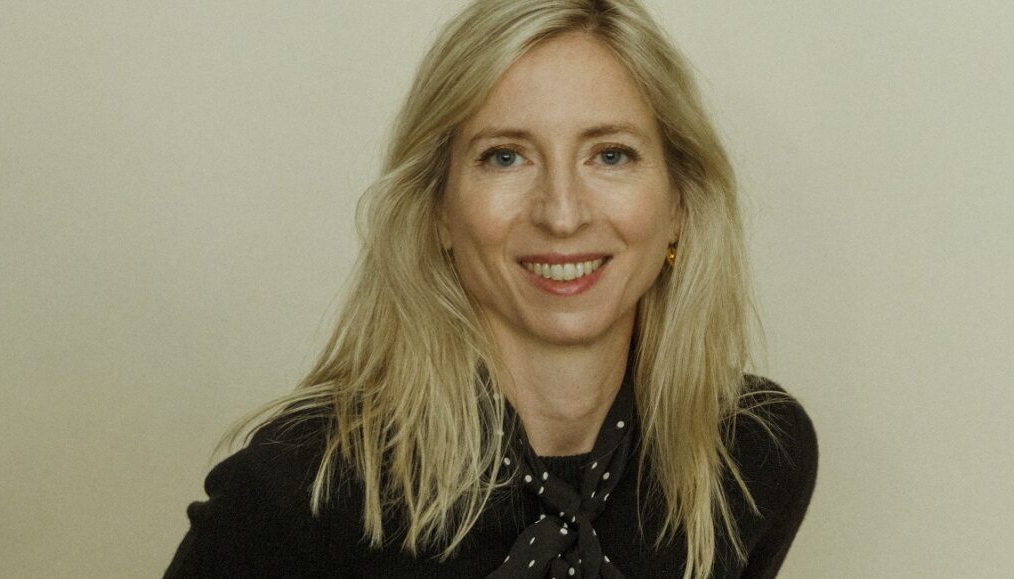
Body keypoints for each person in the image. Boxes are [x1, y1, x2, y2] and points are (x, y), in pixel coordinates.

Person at [164, 1, 818, 577]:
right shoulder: (302, 489)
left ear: (678, 202)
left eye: (610, 154)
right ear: (439, 210)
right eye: (506, 156)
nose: (562, 213)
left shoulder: (753, 453)